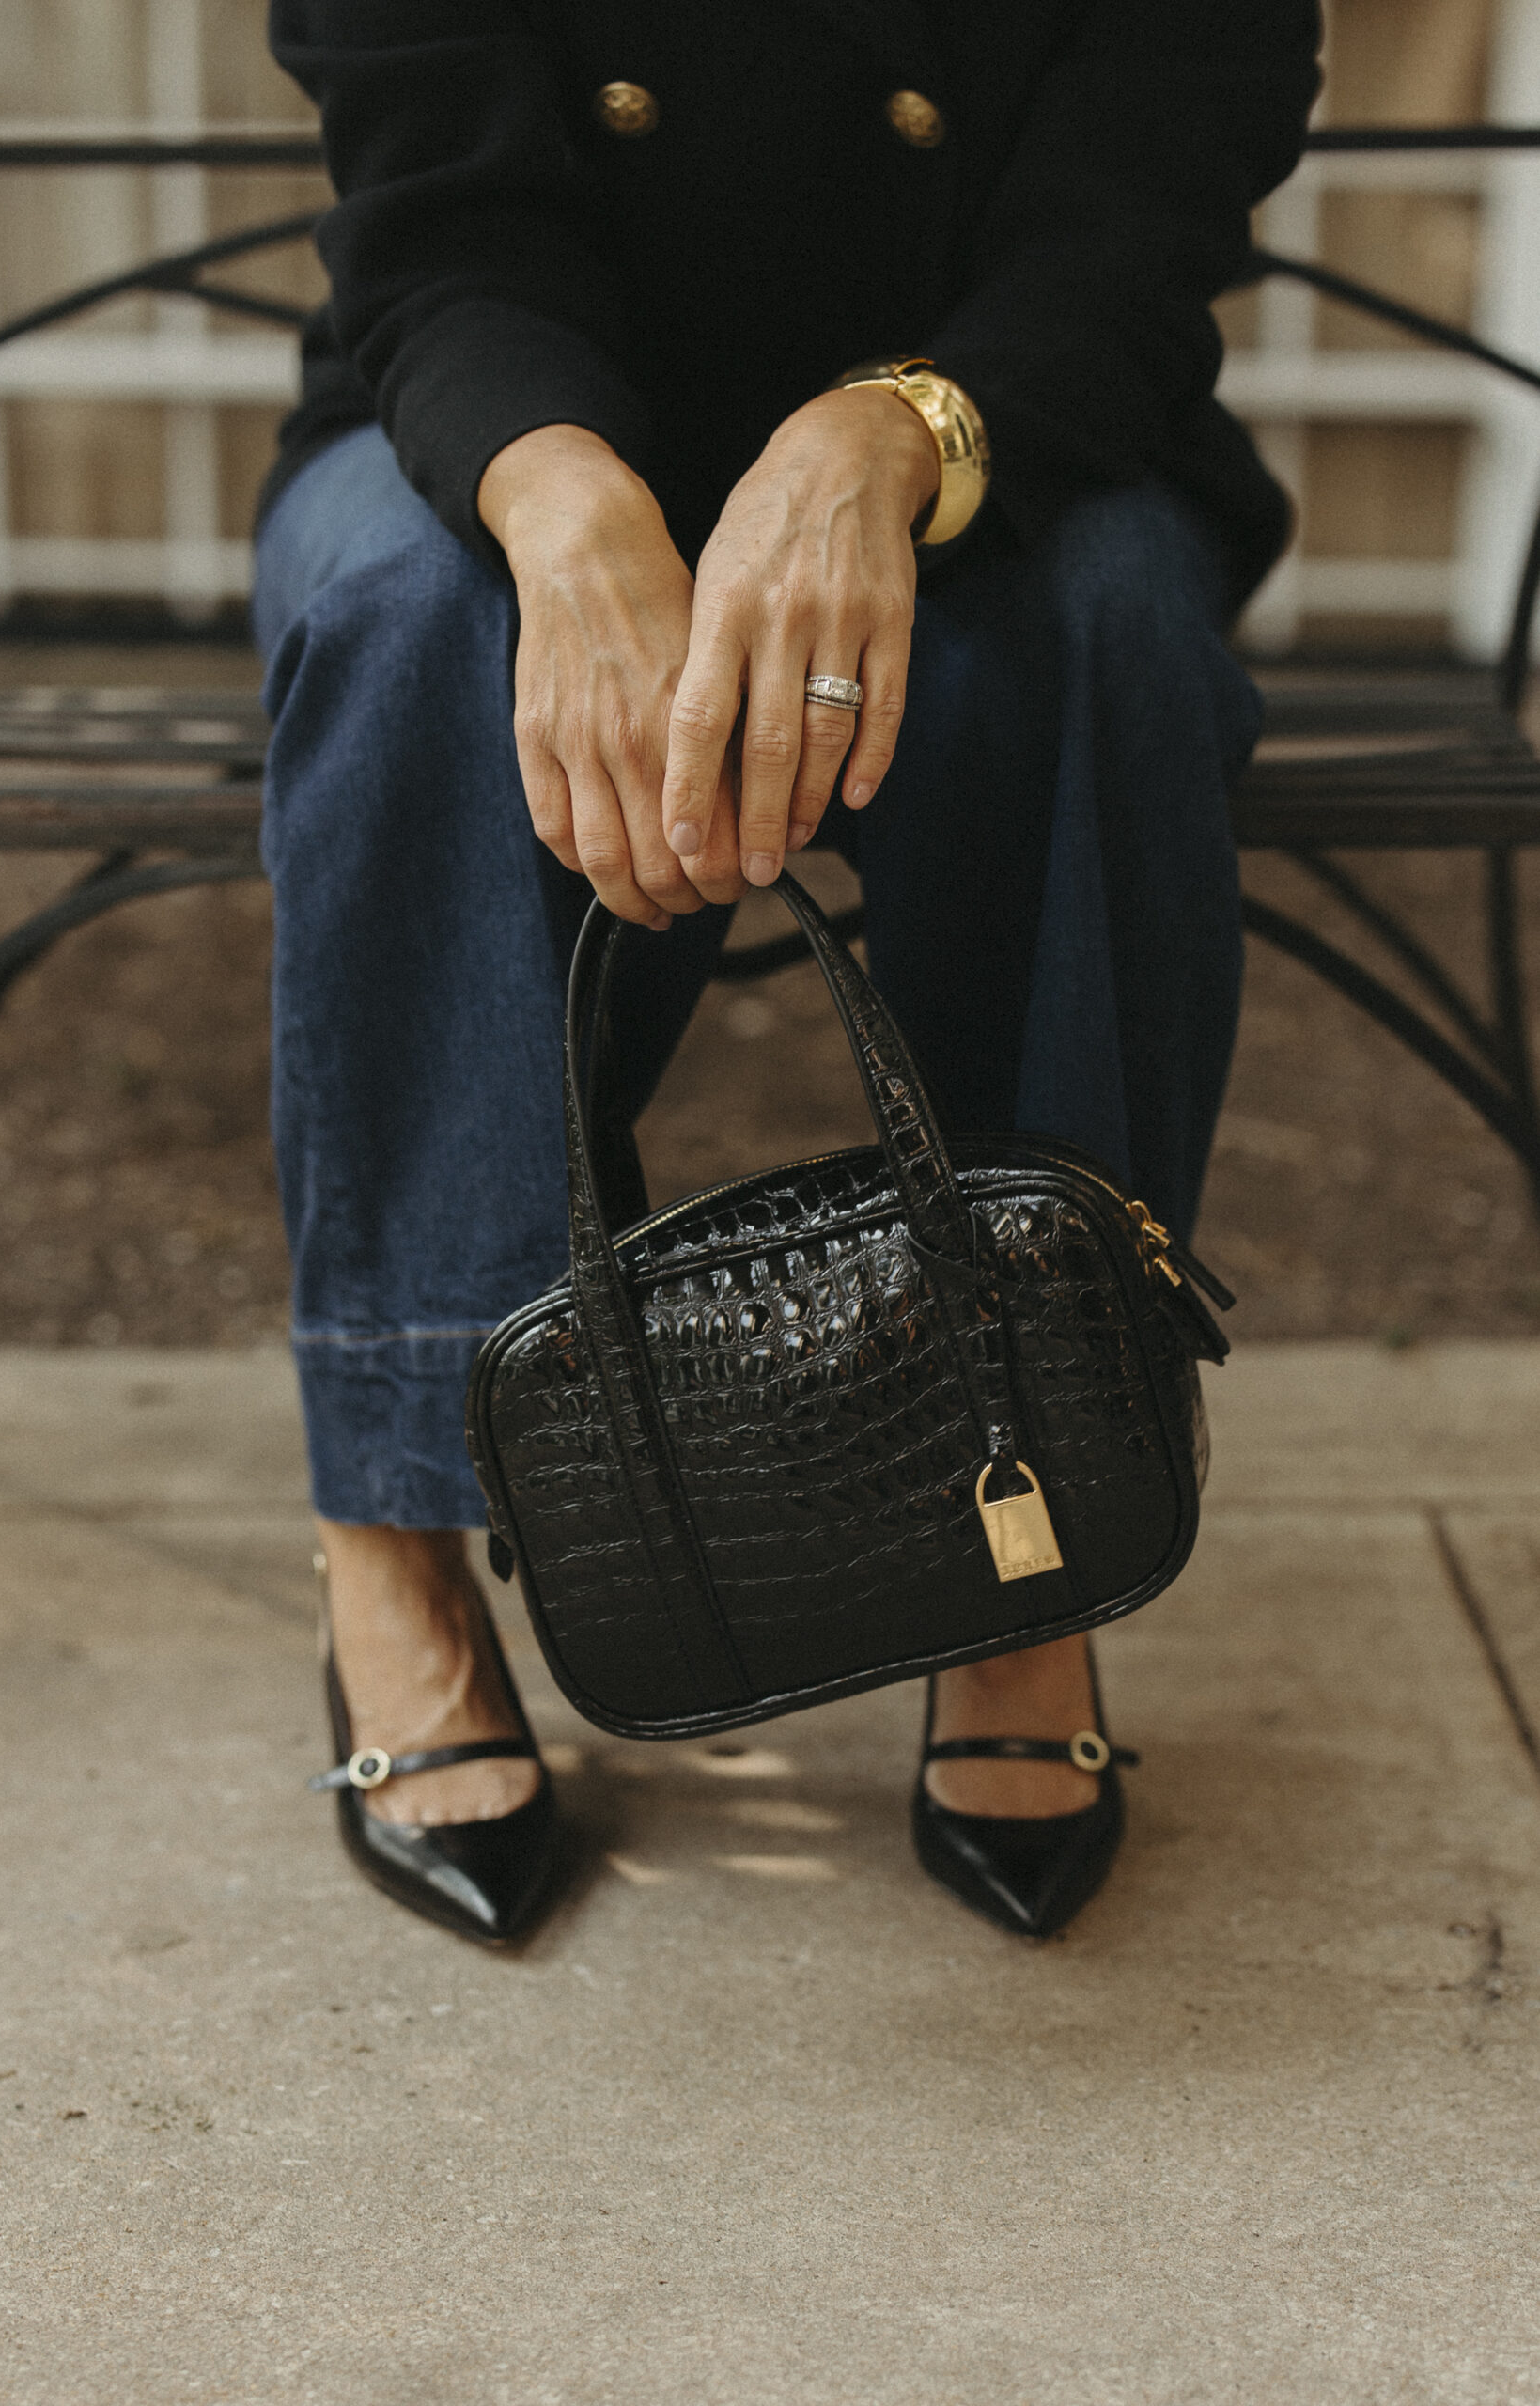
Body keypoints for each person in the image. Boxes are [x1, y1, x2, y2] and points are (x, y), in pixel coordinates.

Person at [256, 0, 1322, 1947]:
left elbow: (1136, 219)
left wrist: (887, 434)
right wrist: (560, 499)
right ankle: (393, 1521)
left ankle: (1039, 1526)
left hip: (1010, 413)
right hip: (498, 400)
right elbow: (437, 208)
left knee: (1097, 630)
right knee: (410, 620)